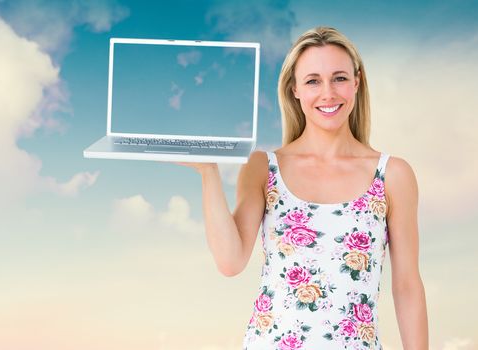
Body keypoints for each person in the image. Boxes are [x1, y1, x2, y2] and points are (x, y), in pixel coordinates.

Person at [177, 26, 428, 349]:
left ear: (357, 81)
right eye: (313, 80)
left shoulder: (392, 174)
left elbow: (407, 286)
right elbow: (230, 261)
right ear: (294, 89)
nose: (328, 93)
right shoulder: (263, 168)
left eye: (339, 78)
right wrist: (207, 172)